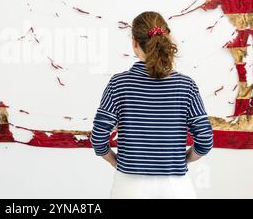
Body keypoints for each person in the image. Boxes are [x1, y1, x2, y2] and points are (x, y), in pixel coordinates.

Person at [90, 11, 213, 199]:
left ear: (134, 43)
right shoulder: (185, 85)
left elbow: (98, 138)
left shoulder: (119, 84)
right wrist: (183, 161)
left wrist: (117, 163)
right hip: (176, 187)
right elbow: (205, 139)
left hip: (129, 186)